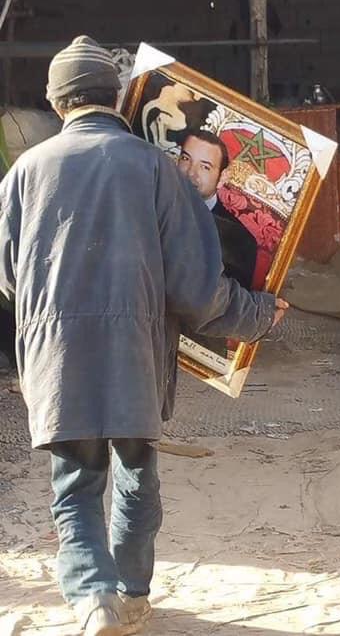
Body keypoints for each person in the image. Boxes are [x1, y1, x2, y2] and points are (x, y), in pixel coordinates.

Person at [0, 36, 288, 636]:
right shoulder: (156, 169)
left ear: (56, 104)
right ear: (116, 98)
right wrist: (259, 314)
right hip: (136, 351)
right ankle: (131, 596)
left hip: (57, 353)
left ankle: (93, 597)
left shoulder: (24, 172)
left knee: (75, 485)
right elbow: (196, 290)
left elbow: (8, 277)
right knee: (135, 473)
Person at [178, 129, 257, 290]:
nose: (191, 173)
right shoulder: (149, 201)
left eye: (205, 167)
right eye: (186, 159)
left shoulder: (239, 240)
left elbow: (229, 300)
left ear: (222, 177)